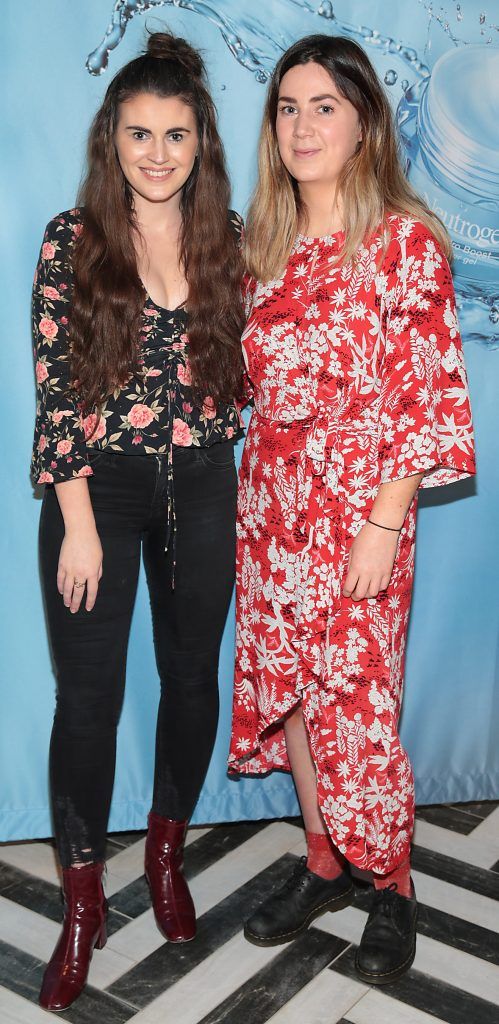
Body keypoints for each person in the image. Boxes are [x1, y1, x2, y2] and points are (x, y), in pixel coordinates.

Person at [229, 34, 475, 985]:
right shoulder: (264, 243)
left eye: (323, 105)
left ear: (365, 119)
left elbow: (428, 396)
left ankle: (393, 886)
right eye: (287, 107)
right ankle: (325, 861)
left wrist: (382, 521)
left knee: (357, 705)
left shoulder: (404, 243)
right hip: (271, 514)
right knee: (292, 695)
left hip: (358, 520)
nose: (301, 125)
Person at [32, 32, 244, 1012]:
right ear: (109, 139)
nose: (156, 153)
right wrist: (75, 518)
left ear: (201, 143)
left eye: (176, 134)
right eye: (138, 134)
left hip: (201, 484)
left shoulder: (228, 242)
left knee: (192, 678)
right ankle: (83, 898)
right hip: (99, 493)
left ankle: (166, 850)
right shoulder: (71, 240)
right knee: (89, 700)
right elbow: (58, 389)